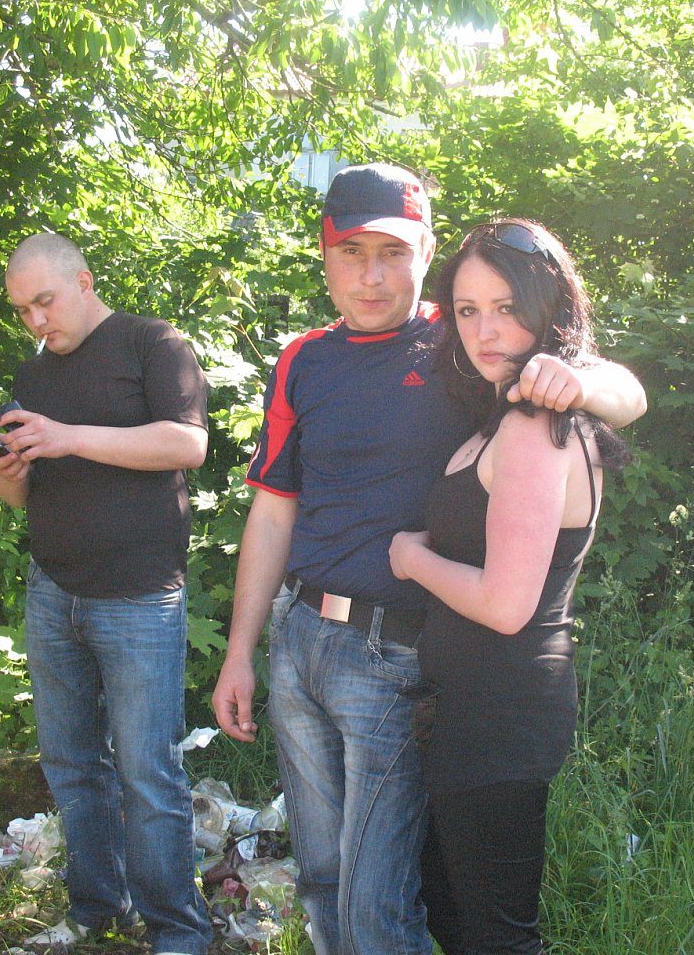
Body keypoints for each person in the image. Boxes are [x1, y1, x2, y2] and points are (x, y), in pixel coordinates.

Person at [211, 164, 647, 955]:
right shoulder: (303, 359)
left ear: (426, 251)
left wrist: (578, 378)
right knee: (322, 877)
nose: (372, 276)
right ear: (324, 255)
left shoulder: (463, 341)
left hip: (395, 653)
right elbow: (274, 509)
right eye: (351, 253)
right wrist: (241, 651)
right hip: (299, 638)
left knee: (381, 900)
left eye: (393, 252)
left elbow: (623, 390)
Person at [387, 218, 629, 954]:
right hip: (475, 709)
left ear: (548, 308)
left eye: (505, 307)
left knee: (496, 934)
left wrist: (411, 557)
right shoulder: (505, 414)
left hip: (500, 712)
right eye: (467, 310)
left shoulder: (532, 425)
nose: (484, 330)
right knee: (457, 916)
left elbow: (505, 604)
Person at [0, 233, 212, 955]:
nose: (36, 321)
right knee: (72, 766)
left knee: (149, 774)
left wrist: (68, 437)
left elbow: (187, 445)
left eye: (45, 302)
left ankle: (178, 931)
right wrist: (12, 468)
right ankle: (97, 910)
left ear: (83, 282)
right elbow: (17, 497)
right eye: (22, 311)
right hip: (53, 591)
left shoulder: (153, 343)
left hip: (139, 598)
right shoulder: (33, 373)